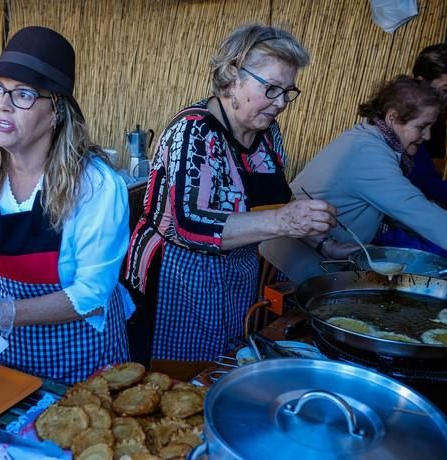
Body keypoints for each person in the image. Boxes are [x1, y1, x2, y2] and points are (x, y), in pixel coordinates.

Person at [125, 23, 345, 363]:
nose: (283, 102)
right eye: (272, 88)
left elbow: (277, 201)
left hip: (237, 272)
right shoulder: (193, 131)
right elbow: (190, 225)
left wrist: (325, 243)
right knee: (181, 383)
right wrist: (283, 221)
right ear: (232, 76)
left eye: (288, 91)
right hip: (179, 276)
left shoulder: (267, 131)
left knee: (226, 364)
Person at [0, 26, 133, 384]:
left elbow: (93, 296)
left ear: (56, 112)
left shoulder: (96, 186)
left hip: (78, 359)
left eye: (23, 94)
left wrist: (1, 312)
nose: (3, 105)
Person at [259, 76, 447, 284]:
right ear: (392, 117)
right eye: (422, 127)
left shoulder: (373, 140)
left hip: (319, 251)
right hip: (289, 262)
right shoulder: (368, 152)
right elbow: (413, 207)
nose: (428, 136)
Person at [373, 43, 447, 255]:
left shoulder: (434, 119)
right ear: (422, 83)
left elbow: (428, 180)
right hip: (383, 227)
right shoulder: (398, 127)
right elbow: (418, 191)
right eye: (446, 90)